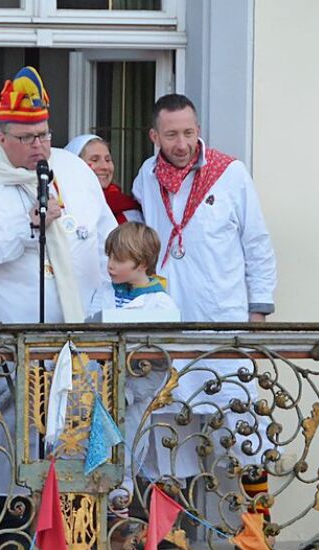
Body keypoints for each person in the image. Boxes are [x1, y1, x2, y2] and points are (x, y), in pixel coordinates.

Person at [0, 67, 118, 548]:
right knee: (5, 434)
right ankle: (12, 531)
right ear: (2, 137)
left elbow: (102, 235)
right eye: (25, 137)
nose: (37, 146)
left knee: (68, 430)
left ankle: (73, 536)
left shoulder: (75, 171)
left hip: (70, 334)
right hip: (6, 333)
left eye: (43, 135)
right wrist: (28, 224)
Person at [131, 93, 277, 518]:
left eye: (189, 133)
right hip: (166, 321)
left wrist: (258, 311)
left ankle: (259, 529)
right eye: (172, 134)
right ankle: (168, 538)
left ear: (200, 131)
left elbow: (257, 243)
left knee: (244, 422)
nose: (181, 144)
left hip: (223, 323)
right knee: (169, 428)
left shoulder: (230, 174)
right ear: (154, 135)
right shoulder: (147, 176)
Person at [95, 223, 179, 510]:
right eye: (109, 257)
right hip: (97, 394)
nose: (110, 265)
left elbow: (161, 364)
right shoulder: (104, 293)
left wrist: (129, 392)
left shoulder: (160, 303)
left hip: (132, 401)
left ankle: (118, 521)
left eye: (118, 260)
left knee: (127, 455)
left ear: (142, 263)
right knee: (93, 455)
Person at [66, 134, 141, 225]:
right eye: (94, 160)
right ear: (74, 165)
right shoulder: (62, 207)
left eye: (108, 160)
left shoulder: (127, 209)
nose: (105, 167)